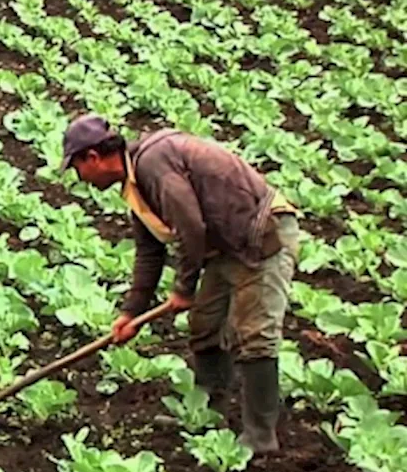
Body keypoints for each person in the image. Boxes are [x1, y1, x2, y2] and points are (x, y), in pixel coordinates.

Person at [61, 114, 300, 453]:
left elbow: (191, 226)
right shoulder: (135, 183)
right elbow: (149, 251)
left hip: (261, 236)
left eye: (76, 168)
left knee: (256, 333)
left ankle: (260, 436)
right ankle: (207, 412)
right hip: (227, 245)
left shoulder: (153, 162)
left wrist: (183, 289)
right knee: (205, 324)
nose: (79, 178)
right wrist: (131, 312)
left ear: (93, 157)